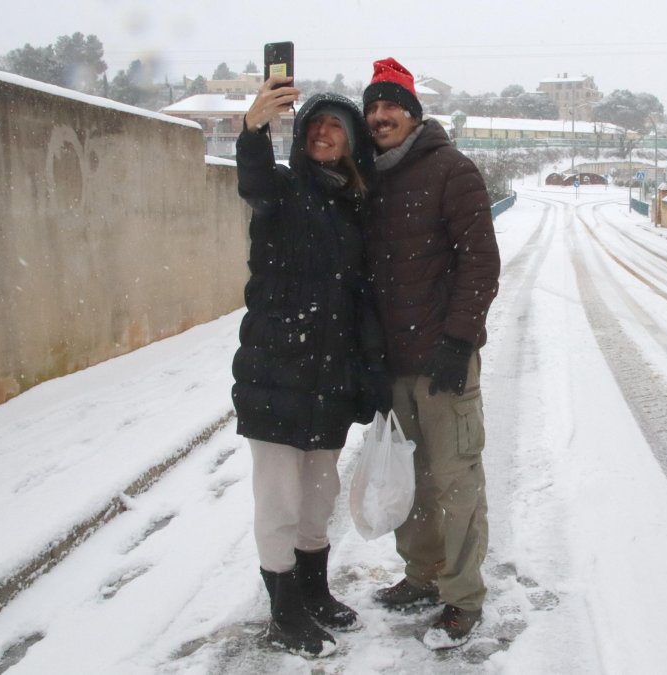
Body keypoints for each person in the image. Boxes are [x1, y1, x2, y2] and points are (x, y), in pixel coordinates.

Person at [234, 77, 388, 657]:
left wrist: (368, 371)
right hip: (276, 368)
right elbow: (252, 180)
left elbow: (360, 296)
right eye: (316, 125)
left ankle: (313, 592)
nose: (325, 134)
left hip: (330, 377)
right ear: (302, 137)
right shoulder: (281, 188)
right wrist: (252, 129)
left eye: (337, 128)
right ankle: (284, 612)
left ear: (350, 144)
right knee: (279, 498)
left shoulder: (355, 205)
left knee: (319, 494)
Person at [360, 57, 501, 649]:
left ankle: (462, 597)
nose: (380, 116)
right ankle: (421, 576)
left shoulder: (452, 170)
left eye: (391, 105)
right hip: (393, 364)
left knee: (455, 479)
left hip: (445, 361)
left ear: (414, 115)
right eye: (371, 107)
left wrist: (458, 339)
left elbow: (481, 263)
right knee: (409, 480)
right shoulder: (367, 176)